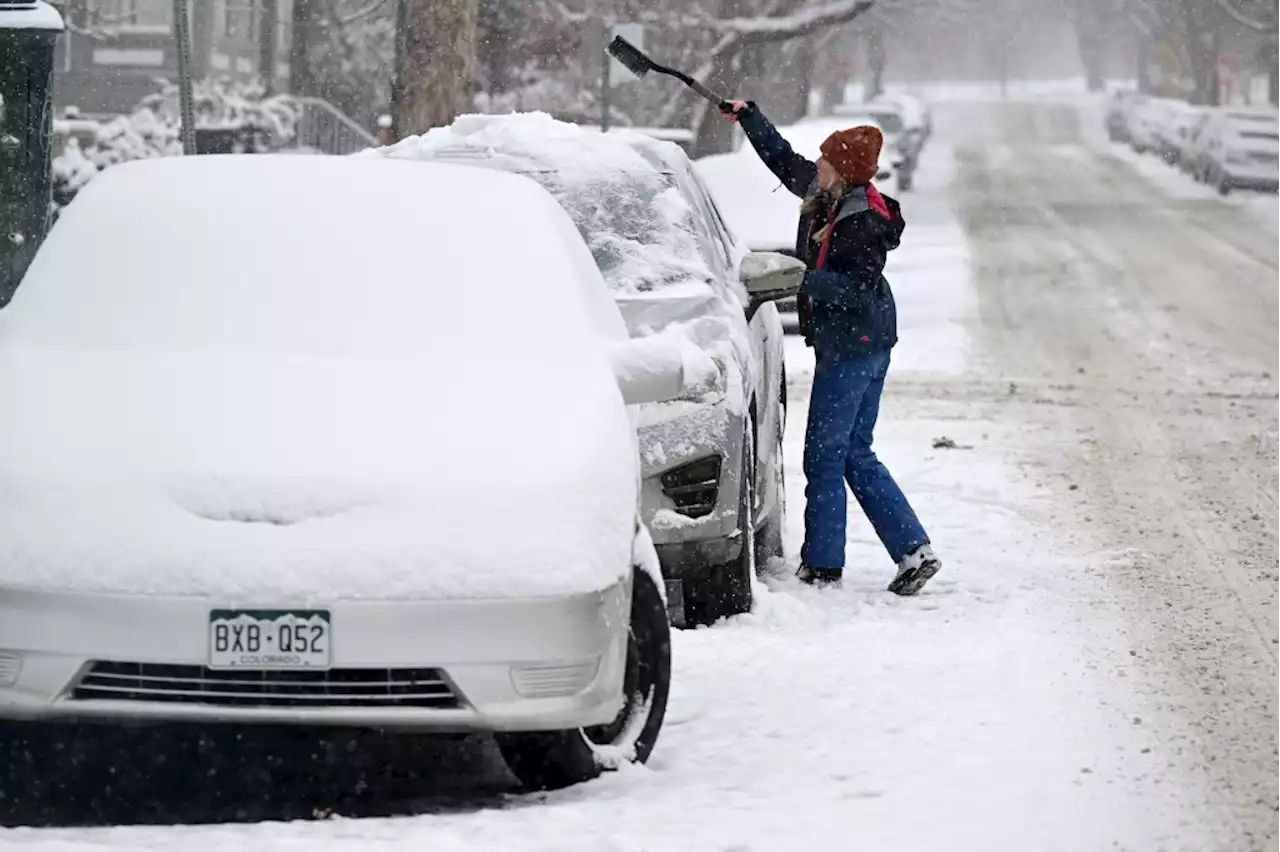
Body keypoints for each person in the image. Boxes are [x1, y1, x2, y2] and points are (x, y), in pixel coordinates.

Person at [720, 99, 941, 596]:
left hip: (854, 347)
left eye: (824, 159)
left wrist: (804, 280)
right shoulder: (827, 197)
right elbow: (782, 158)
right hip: (864, 342)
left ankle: (822, 565)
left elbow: (855, 289)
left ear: (842, 171)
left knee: (825, 455)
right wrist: (751, 116)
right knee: (854, 453)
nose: (815, 164)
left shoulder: (860, 223)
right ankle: (913, 550)